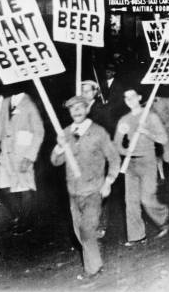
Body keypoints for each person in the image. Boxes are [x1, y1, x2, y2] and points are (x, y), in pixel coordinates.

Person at [51, 95, 120, 279]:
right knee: (79, 233)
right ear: (69, 112)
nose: (77, 111)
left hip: (93, 190)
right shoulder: (65, 133)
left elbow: (114, 158)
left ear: (87, 109)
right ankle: (94, 263)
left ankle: (93, 269)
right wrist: (59, 147)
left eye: (80, 107)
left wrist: (108, 182)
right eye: (73, 108)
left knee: (87, 230)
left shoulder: (98, 132)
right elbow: (55, 161)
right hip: (73, 192)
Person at [0, 90, 44, 235]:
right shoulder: (4, 102)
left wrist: (29, 156)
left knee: (25, 189)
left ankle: (26, 222)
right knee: (4, 187)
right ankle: (19, 217)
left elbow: (39, 131)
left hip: (22, 155)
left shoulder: (29, 105)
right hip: (6, 155)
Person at [114, 87, 169, 246]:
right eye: (126, 98)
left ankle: (162, 218)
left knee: (146, 198)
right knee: (130, 201)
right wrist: (125, 150)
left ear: (139, 97)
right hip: (131, 163)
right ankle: (137, 236)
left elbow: (163, 139)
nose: (129, 100)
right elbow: (116, 144)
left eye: (132, 97)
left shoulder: (150, 116)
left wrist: (146, 132)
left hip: (148, 161)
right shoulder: (124, 120)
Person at [151, 87, 169, 175]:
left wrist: (166, 126)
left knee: (166, 152)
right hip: (154, 130)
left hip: (165, 129)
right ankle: (160, 173)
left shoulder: (168, 100)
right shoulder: (149, 101)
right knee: (155, 153)